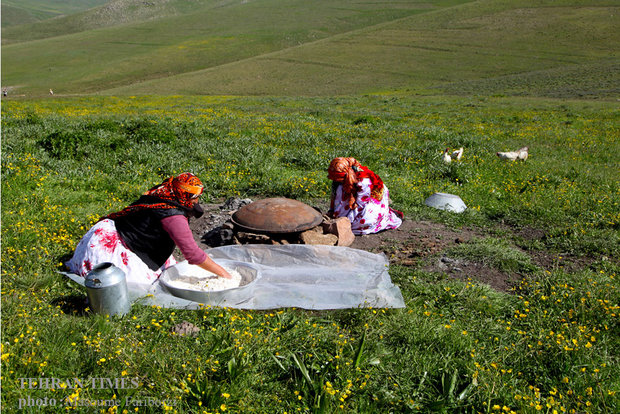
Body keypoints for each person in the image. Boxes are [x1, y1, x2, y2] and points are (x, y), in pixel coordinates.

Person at [66, 173, 232, 287]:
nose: (198, 200)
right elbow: (193, 254)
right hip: (114, 242)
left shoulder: (165, 192)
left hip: (123, 229)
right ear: (186, 196)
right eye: (195, 197)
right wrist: (224, 274)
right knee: (140, 283)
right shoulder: (172, 216)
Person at [327, 157, 403, 235]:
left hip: (369, 201)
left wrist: (347, 220)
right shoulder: (339, 182)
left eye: (337, 178)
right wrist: (332, 212)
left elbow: (361, 204)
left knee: (362, 223)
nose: (335, 180)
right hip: (354, 198)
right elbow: (335, 197)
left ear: (346, 174)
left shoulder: (363, 181)